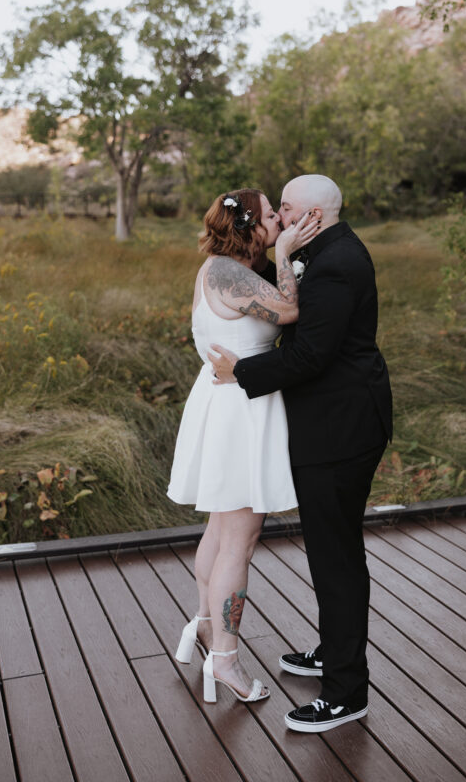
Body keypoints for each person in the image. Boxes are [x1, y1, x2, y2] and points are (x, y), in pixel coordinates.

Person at [209, 174, 392, 733]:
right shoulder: (320, 250)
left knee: (335, 558)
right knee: (327, 552)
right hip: (328, 424)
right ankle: (333, 652)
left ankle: (345, 691)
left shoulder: (337, 263)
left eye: (285, 209)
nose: (280, 218)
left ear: (314, 213)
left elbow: (311, 354)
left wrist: (240, 372)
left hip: (341, 429)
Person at [168, 188, 319, 705]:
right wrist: (284, 257)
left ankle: (206, 630)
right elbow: (290, 313)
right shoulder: (230, 274)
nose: (281, 220)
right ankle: (227, 661)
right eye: (274, 216)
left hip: (226, 402)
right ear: (253, 225)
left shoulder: (217, 269)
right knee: (240, 539)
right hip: (239, 409)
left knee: (219, 528)